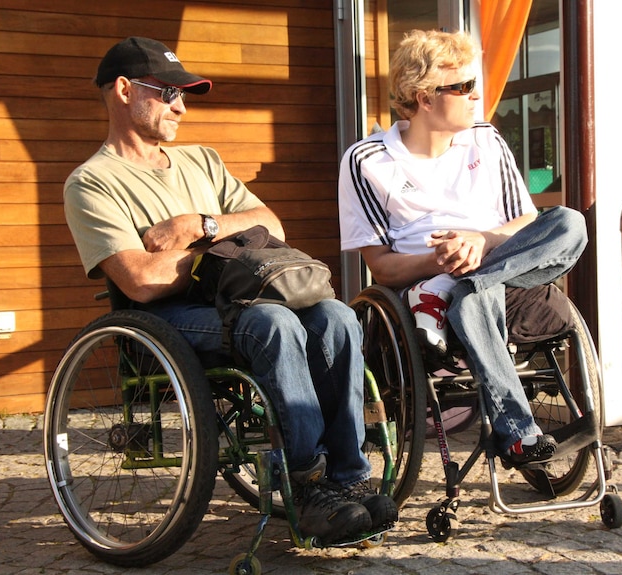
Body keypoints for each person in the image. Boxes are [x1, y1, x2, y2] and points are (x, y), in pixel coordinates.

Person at [63, 36, 396, 544]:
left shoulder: (203, 160)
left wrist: (198, 224)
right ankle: (306, 487)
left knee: (337, 317)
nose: (181, 105)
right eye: (167, 92)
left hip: (243, 297)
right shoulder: (92, 182)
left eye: (186, 94)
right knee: (275, 324)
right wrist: (220, 252)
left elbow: (270, 224)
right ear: (125, 90)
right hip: (169, 321)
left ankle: (349, 480)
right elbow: (142, 280)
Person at [338, 29, 588, 466]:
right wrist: (440, 260)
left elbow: (526, 222)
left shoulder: (486, 140)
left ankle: (454, 290)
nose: (477, 96)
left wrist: (482, 241)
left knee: (570, 222)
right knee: (474, 300)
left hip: (499, 269)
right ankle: (519, 435)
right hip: (423, 280)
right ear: (425, 97)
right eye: (465, 86)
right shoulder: (367, 161)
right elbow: (381, 269)